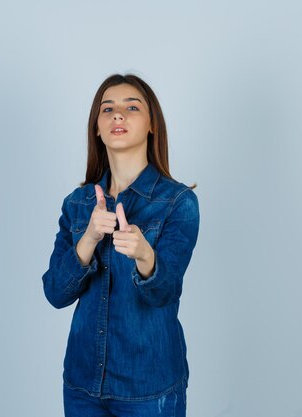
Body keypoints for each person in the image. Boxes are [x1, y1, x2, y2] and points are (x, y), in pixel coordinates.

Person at [42, 73, 200, 417]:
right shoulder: (78, 204)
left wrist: (145, 256)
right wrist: (88, 239)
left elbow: (164, 292)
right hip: (83, 385)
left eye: (132, 107)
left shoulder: (177, 202)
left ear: (151, 125)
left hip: (150, 388)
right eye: (107, 109)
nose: (118, 115)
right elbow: (55, 292)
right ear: (97, 128)